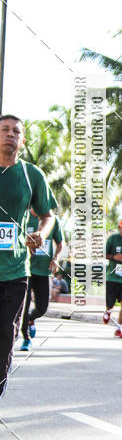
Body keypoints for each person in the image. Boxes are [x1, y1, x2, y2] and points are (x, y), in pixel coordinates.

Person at [0, 115, 56, 397]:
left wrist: (43, 233)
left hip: (15, 271)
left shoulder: (31, 174)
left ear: (22, 141)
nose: (10, 134)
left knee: (4, 339)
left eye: (16, 131)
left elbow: (48, 215)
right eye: (4, 129)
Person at [20, 210, 64, 350]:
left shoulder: (52, 220)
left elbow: (60, 243)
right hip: (25, 270)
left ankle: (30, 319)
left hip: (43, 271)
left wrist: (56, 259)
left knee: (42, 308)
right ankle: (26, 338)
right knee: (24, 306)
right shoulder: (23, 215)